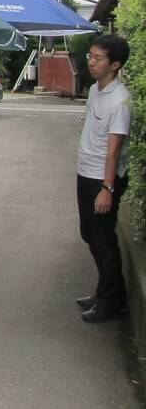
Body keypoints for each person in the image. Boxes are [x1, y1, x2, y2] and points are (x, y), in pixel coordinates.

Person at [75, 34, 133, 323]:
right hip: (86, 172)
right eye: (91, 56)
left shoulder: (120, 101)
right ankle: (106, 291)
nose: (91, 62)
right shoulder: (97, 89)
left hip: (102, 178)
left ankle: (111, 300)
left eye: (98, 58)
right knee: (90, 234)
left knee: (102, 239)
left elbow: (114, 151)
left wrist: (107, 189)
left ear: (116, 64)